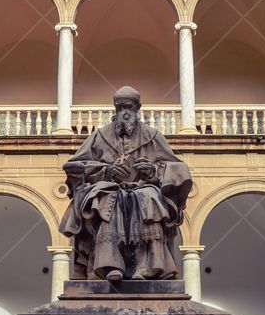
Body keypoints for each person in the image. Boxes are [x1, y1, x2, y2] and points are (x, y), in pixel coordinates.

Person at [59, 86, 191, 281]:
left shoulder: (153, 137)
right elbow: (74, 166)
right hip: (109, 188)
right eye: (119, 108)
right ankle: (109, 265)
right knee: (107, 199)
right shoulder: (99, 136)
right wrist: (107, 171)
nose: (124, 113)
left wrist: (154, 171)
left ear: (138, 107)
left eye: (128, 107)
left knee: (149, 197)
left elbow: (179, 169)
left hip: (144, 188)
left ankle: (146, 266)